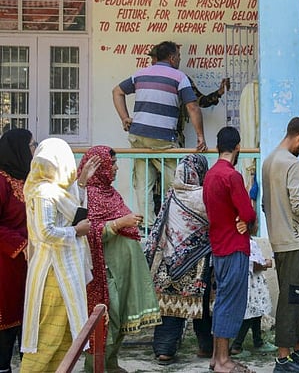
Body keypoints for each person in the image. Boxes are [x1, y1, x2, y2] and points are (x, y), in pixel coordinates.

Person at [80, 146, 161, 372]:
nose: (115, 168)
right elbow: (88, 231)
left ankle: (111, 363)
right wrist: (119, 224)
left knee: (121, 319)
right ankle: (94, 367)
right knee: (108, 320)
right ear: (99, 167)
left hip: (124, 269)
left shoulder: (110, 193)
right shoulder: (88, 195)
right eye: (111, 164)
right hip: (105, 271)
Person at [20, 139, 95, 372]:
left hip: (65, 269)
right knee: (47, 337)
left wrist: (81, 183)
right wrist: (76, 231)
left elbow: (74, 212)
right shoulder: (44, 192)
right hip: (53, 273)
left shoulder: (56, 190)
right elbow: (45, 232)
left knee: (65, 334)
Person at [112, 40, 205, 219]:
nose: (179, 59)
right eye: (178, 56)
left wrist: (125, 118)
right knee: (178, 181)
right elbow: (192, 107)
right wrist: (201, 137)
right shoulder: (179, 77)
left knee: (143, 182)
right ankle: (179, 221)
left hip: (138, 135)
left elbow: (117, 91)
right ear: (172, 58)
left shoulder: (140, 74)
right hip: (163, 139)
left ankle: (147, 225)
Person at [261, 116, 299, 373]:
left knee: (291, 294)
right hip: (294, 241)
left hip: (277, 238)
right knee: (292, 299)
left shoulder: (269, 160)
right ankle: (283, 359)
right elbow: (298, 206)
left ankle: (296, 347)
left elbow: (264, 204)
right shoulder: (291, 163)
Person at [144, 154, 214, 364]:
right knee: (203, 309)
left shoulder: (171, 195)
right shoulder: (204, 196)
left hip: (169, 262)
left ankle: (164, 351)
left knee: (170, 308)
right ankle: (206, 348)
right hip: (198, 264)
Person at [203, 127, 257, 373]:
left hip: (218, 244)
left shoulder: (211, 174)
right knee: (230, 303)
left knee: (222, 300)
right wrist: (246, 219)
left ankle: (217, 357)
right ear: (237, 147)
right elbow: (247, 213)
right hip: (235, 244)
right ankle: (224, 361)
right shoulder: (232, 176)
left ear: (217, 147)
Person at [0, 129, 33, 373]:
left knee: (28, 316)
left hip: (31, 262)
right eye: (32, 145)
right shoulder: (1, 181)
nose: (34, 150)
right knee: (6, 317)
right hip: (6, 262)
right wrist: (20, 244)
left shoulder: (30, 179)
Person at [230, 238, 276, 358]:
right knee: (250, 314)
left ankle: (258, 341)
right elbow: (254, 265)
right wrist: (266, 263)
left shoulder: (235, 241)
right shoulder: (250, 243)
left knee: (257, 312)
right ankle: (236, 346)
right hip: (251, 283)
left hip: (243, 282)